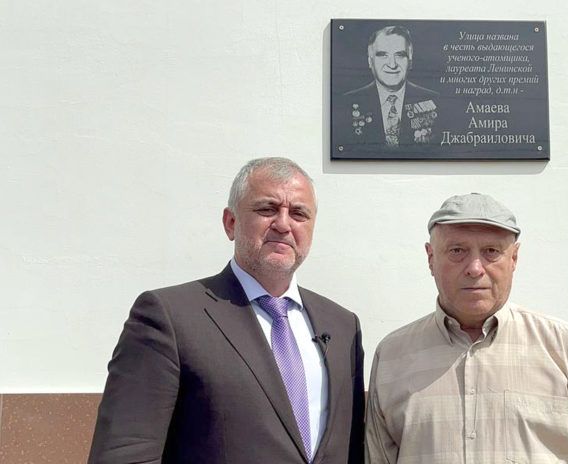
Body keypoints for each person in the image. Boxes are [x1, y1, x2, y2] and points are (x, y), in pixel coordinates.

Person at [89, 157, 365, 464]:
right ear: (230, 222)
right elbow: (126, 453)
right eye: (267, 209)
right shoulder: (168, 317)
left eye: (299, 213)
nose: (284, 224)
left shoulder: (342, 327)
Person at [365, 193, 568, 463]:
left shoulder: (564, 347)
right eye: (457, 251)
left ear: (514, 258)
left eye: (491, 251)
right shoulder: (392, 356)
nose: (474, 268)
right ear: (431, 258)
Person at [339, 25, 439, 150]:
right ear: (370, 61)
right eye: (383, 55)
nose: (392, 64)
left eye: (400, 55)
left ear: (410, 61)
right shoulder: (346, 103)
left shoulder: (436, 101)